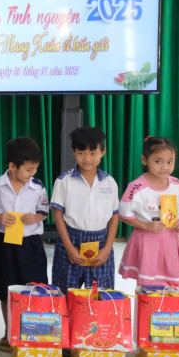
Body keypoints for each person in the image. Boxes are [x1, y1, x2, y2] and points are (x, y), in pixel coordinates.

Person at [0, 135, 49, 353]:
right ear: (12, 166)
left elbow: (44, 210)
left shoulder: (38, 187)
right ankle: (9, 333)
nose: (33, 173)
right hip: (5, 245)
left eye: (35, 169)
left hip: (31, 245)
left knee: (34, 289)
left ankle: (32, 333)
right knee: (6, 289)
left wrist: (36, 217)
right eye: (28, 169)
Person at [50, 126, 120, 294]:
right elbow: (57, 214)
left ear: (103, 152)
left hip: (101, 243)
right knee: (65, 294)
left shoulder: (109, 182)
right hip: (71, 240)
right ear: (73, 151)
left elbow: (114, 216)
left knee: (100, 296)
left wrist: (107, 249)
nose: (87, 159)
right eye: (81, 153)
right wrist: (69, 247)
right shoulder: (64, 181)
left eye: (93, 153)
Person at [117, 136, 179, 287]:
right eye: (158, 161)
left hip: (171, 239)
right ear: (144, 160)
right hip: (147, 240)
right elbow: (124, 214)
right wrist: (146, 225)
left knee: (171, 284)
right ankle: (147, 302)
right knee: (147, 284)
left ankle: (169, 304)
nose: (165, 167)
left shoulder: (177, 185)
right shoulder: (136, 187)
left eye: (170, 162)